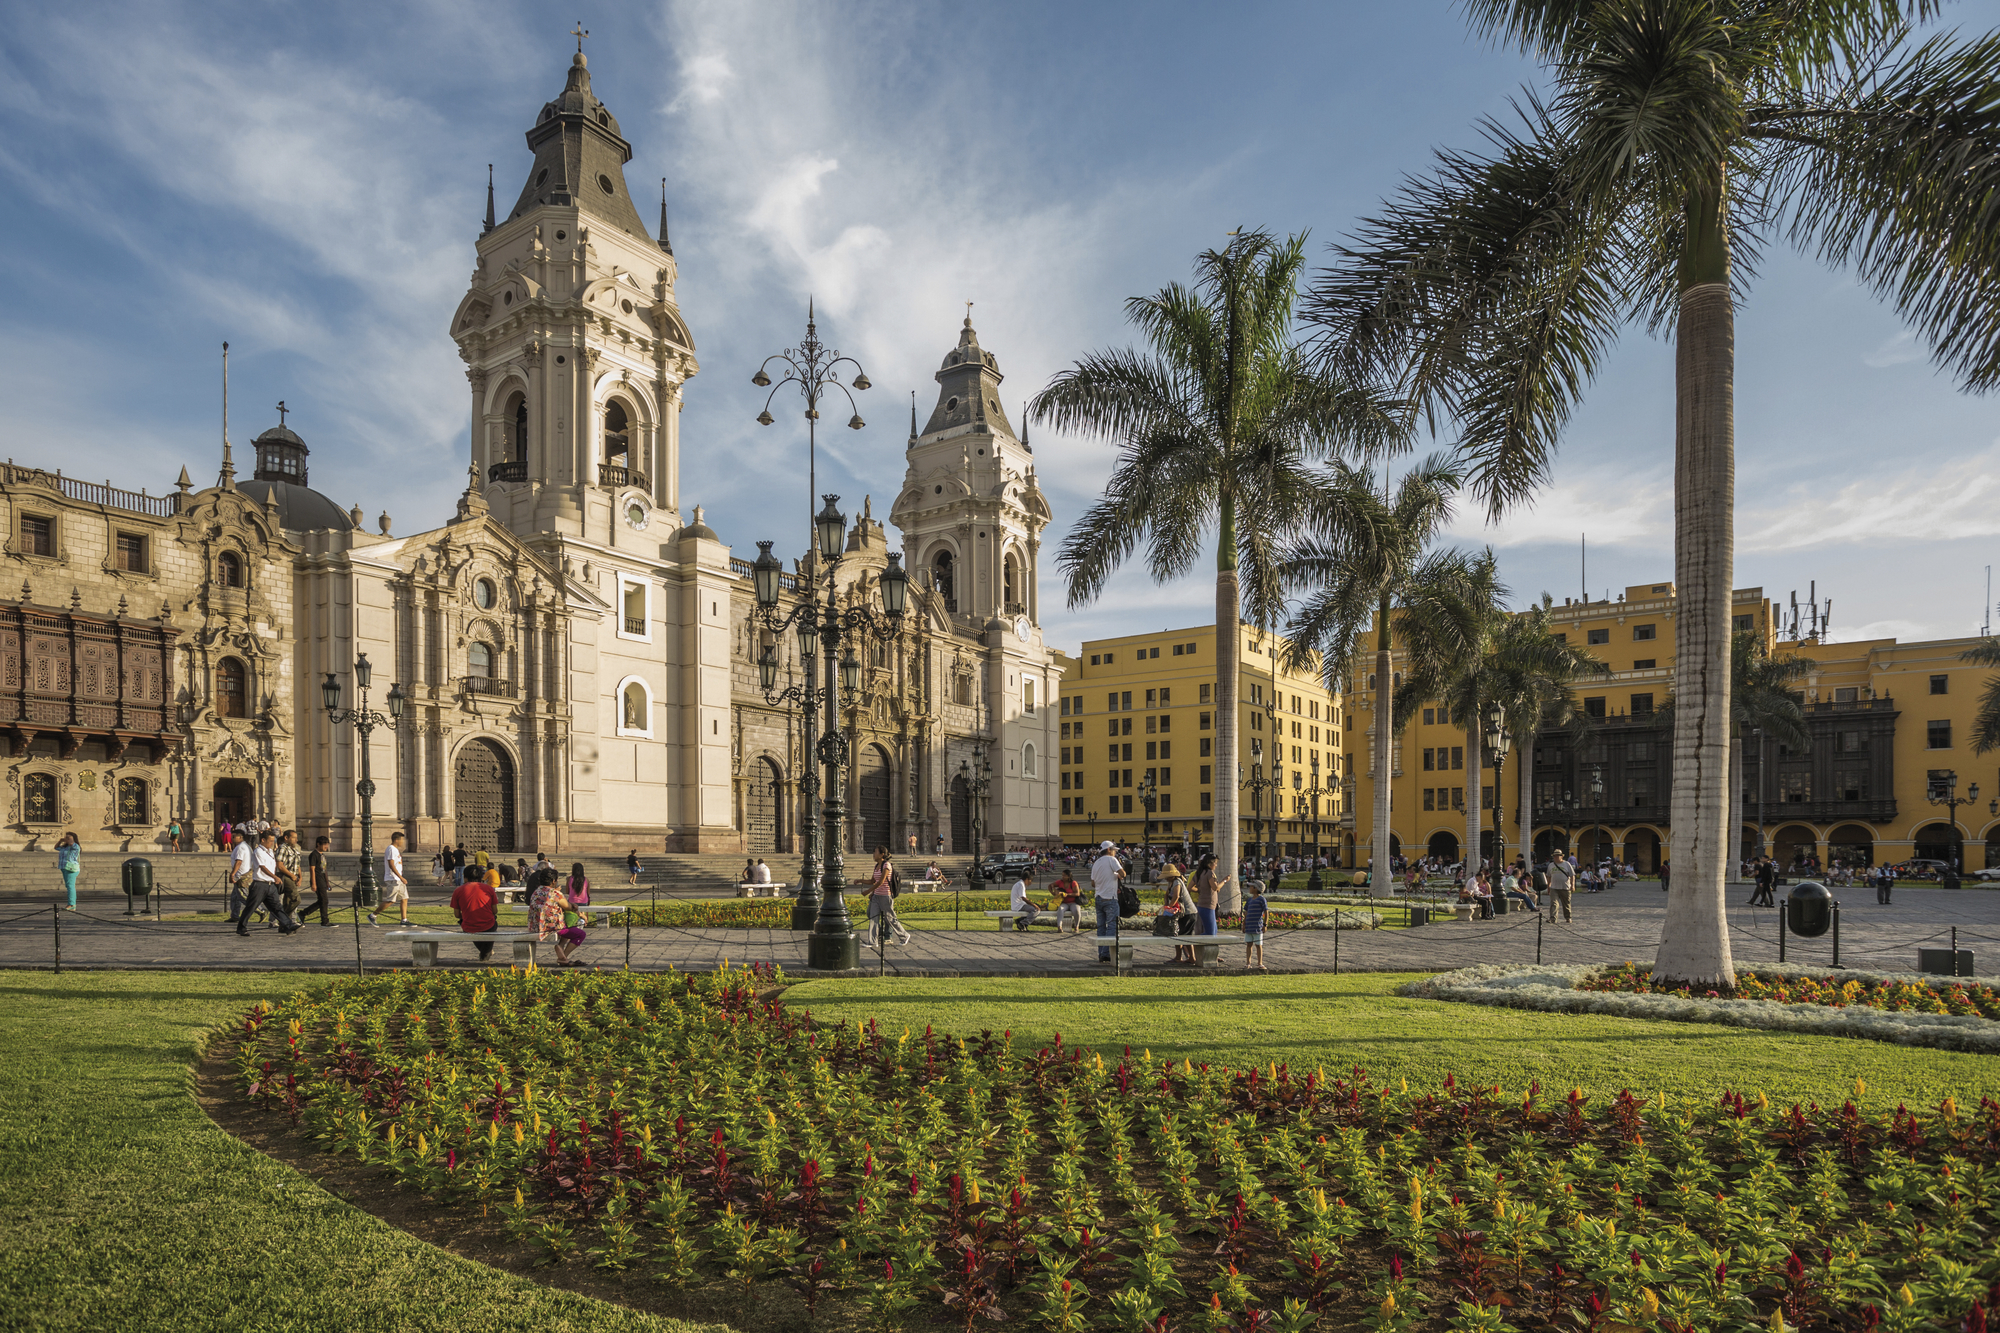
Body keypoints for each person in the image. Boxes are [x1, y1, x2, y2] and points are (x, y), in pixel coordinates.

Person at [236, 831, 299, 937]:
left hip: (270, 885)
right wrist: (274, 876)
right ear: (263, 840)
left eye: (273, 841)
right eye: (270, 841)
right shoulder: (258, 851)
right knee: (251, 907)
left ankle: (287, 925)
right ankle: (241, 927)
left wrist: (274, 878)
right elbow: (262, 867)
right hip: (259, 884)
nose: (272, 843)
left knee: (277, 907)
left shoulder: (270, 852)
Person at [450, 865, 500, 960]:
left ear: (465, 877)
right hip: (488, 925)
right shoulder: (489, 889)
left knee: (472, 929)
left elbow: (457, 915)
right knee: (492, 924)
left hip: (469, 926)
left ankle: (486, 952)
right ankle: (486, 952)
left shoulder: (458, 891)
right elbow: (495, 911)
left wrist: (466, 915)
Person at [863, 846, 908, 947]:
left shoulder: (886, 865)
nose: (873, 854)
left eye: (875, 852)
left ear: (882, 854)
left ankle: (904, 935)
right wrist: (860, 881)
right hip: (876, 896)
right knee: (873, 917)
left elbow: (881, 882)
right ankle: (872, 941)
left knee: (890, 918)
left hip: (885, 896)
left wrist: (868, 891)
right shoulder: (876, 866)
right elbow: (872, 881)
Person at [1091, 840, 1126, 963]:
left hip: (1098, 897)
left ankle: (1101, 953)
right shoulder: (1112, 860)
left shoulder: (1096, 863)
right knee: (1112, 925)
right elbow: (1123, 873)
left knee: (1101, 927)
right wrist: (1118, 873)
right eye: (1114, 850)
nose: (1115, 853)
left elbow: (1093, 882)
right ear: (1109, 850)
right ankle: (1107, 953)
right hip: (1110, 898)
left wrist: (1112, 876)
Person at [368, 831, 411, 927]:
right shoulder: (391, 849)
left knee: (404, 898)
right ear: (396, 840)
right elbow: (391, 864)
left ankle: (404, 920)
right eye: (401, 840)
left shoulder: (395, 850)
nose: (402, 842)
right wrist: (400, 877)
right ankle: (373, 915)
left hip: (398, 879)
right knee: (391, 900)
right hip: (393, 879)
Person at [296, 836, 336, 926]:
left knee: (322, 901)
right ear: (318, 844)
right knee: (324, 900)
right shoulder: (313, 855)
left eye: (327, 845)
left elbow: (324, 869)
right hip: (317, 879)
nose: (326, 847)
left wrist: (327, 882)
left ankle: (303, 914)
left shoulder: (322, 855)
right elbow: (312, 869)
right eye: (325, 844)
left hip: (322, 879)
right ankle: (325, 920)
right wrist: (313, 883)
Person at [1192, 852, 1230, 940]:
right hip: (1208, 905)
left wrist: (1200, 890)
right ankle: (1192, 943)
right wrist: (1224, 881)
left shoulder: (1198, 873)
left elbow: (1190, 887)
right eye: (1215, 863)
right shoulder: (1209, 873)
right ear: (1210, 863)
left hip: (1202, 904)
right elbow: (1215, 887)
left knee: (1213, 931)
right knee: (1211, 933)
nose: (1216, 865)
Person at [226, 828, 256, 924]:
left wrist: (233, 873)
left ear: (240, 837)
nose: (232, 838)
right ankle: (235, 915)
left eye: (234, 837)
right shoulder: (244, 846)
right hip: (242, 873)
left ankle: (260, 910)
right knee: (234, 897)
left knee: (243, 896)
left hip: (241, 875)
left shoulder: (241, 847)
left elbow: (239, 861)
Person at [276, 829, 304, 919]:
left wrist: (300, 877)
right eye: (294, 838)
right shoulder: (283, 848)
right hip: (286, 876)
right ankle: (284, 918)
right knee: (296, 899)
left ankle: (284, 924)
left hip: (293, 876)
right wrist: (292, 876)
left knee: (288, 901)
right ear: (286, 838)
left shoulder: (294, 849)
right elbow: (280, 865)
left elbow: (297, 864)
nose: (296, 840)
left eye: (297, 838)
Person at [1241, 879, 1268, 970]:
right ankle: (1248, 962)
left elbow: (1266, 911)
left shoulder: (1261, 899)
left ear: (1256, 888)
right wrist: (1244, 924)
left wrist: (1265, 924)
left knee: (1258, 945)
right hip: (1249, 926)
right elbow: (1246, 912)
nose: (1249, 888)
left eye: (1251, 887)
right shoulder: (1249, 900)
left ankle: (1260, 962)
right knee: (1249, 944)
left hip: (1258, 926)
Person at [1051, 865, 1084, 934]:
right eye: (1062, 875)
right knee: (1060, 909)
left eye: (1064, 875)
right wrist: (1053, 892)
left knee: (1076, 910)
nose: (1062, 877)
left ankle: (1076, 926)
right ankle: (1059, 927)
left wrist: (1067, 894)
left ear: (1069, 876)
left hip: (1073, 902)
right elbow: (1051, 885)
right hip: (1064, 902)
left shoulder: (1073, 883)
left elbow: (1077, 894)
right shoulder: (1060, 882)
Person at [54, 833, 80, 911]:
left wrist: (69, 839)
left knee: (70, 886)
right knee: (69, 886)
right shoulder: (65, 847)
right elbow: (56, 848)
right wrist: (60, 841)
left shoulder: (75, 846)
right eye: (66, 837)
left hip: (71, 868)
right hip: (64, 867)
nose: (67, 838)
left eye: (69, 837)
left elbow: (72, 843)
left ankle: (72, 904)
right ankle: (72, 903)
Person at [1546, 853, 1574, 923]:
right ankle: (1553, 918)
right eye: (1555, 856)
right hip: (1554, 887)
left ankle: (1568, 917)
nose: (1556, 857)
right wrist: (1548, 886)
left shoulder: (1567, 864)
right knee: (1554, 903)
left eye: (1558, 855)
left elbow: (1572, 875)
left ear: (1561, 856)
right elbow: (1549, 876)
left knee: (1566, 903)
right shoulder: (1551, 865)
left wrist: (1572, 885)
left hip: (1565, 887)